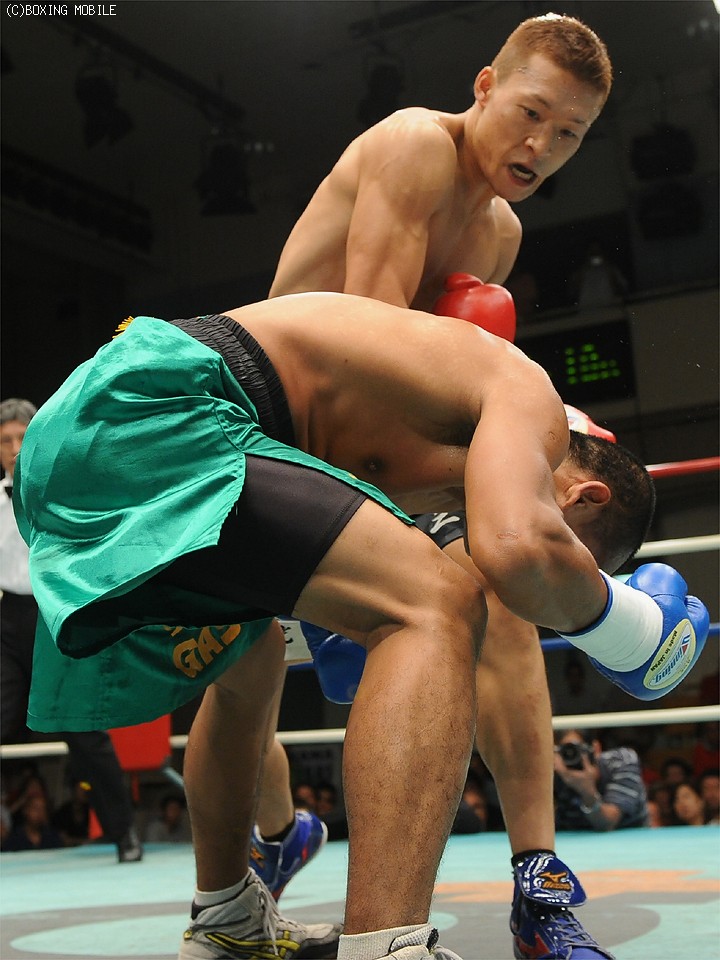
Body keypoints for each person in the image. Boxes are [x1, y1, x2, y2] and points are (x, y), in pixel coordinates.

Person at [13, 292, 708, 960]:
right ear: (584, 495)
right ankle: (388, 946)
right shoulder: (527, 395)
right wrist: (630, 631)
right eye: (577, 561)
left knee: (249, 657)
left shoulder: (424, 449)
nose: (544, 597)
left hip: (85, 438)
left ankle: (226, 920)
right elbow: (521, 549)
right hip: (161, 410)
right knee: (436, 603)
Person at [261, 11, 621, 958]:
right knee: (239, 662)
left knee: (505, 591)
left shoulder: (499, 234)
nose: (542, 147)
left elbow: (429, 397)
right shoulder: (415, 146)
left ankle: (539, 884)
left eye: (570, 133)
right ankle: (252, 859)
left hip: (371, 442)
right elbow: (369, 351)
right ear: (485, 87)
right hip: (270, 437)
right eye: (532, 114)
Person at [0, 398, 142, 863]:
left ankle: (124, 832)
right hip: (6, 622)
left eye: (22, 437)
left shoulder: (61, 488)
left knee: (82, 726)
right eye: (5, 439)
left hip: (53, 613)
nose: (14, 447)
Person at [553, 729, 649, 831]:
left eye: (575, 748)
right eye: (564, 750)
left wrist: (587, 792)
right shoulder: (551, 771)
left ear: (596, 749)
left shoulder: (621, 762)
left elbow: (607, 823)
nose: (570, 754)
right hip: (570, 835)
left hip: (628, 835)